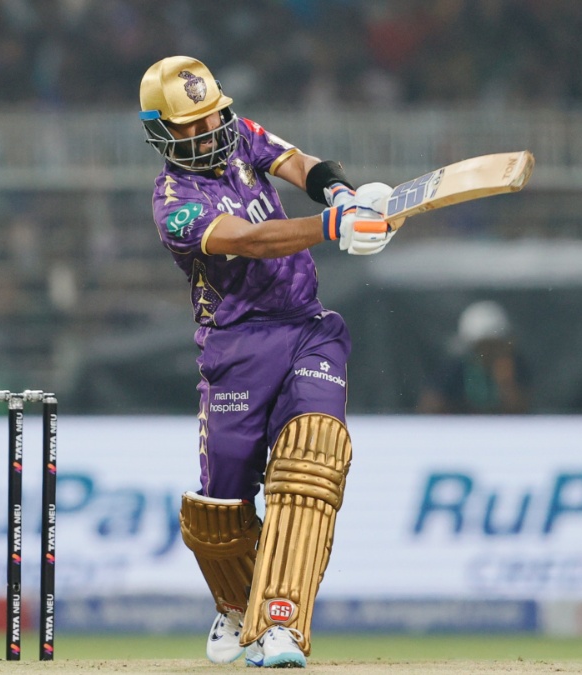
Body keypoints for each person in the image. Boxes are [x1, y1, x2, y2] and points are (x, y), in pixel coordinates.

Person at [139, 55, 395, 668]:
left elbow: (297, 163)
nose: (207, 131)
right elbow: (251, 241)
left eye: (212, 117)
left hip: (307, 327)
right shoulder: (175, 203)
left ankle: (280, 623)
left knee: (312, 459)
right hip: (237, 348)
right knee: (219, 513)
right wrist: (333, 225)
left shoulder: (240, 136)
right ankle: (236, 604)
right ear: (161, 133)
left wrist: (339, 192)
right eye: (189, 125)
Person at [416, 300, 532, 415]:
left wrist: (506, 384)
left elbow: (522, 410)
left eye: (496, 346)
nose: (490, 352)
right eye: (485, 346)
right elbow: (429, 406)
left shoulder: (514, 367)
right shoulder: (456, 369)